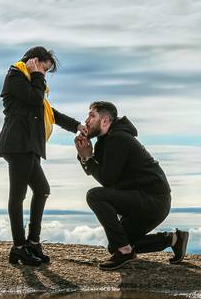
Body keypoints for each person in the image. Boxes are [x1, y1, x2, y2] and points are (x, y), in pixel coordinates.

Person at [0, 46, 84, 266]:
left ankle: (32, 242)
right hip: (18, 144)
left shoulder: (31, 80)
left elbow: (48, 111)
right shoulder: (16, 75)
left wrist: (77, 126)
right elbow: (34, 99)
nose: (45, 74)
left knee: (42, 190)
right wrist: (36, 75)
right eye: (45, 67)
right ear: (34, 61)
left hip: (30, 146)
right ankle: (19, 247)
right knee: (18, 196)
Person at [74, 101, 189, 271]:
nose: (87, 120)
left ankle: (125, 252)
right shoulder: (104, 141)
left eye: (92, 116)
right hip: (143, 201)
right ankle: (173, 239)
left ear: (105, 121)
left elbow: (107, 180)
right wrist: (85, 157)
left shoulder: (119, 138)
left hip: (153, 200)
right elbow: (102, 175)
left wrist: (88, 159)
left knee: (95, 195)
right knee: (116, 244)